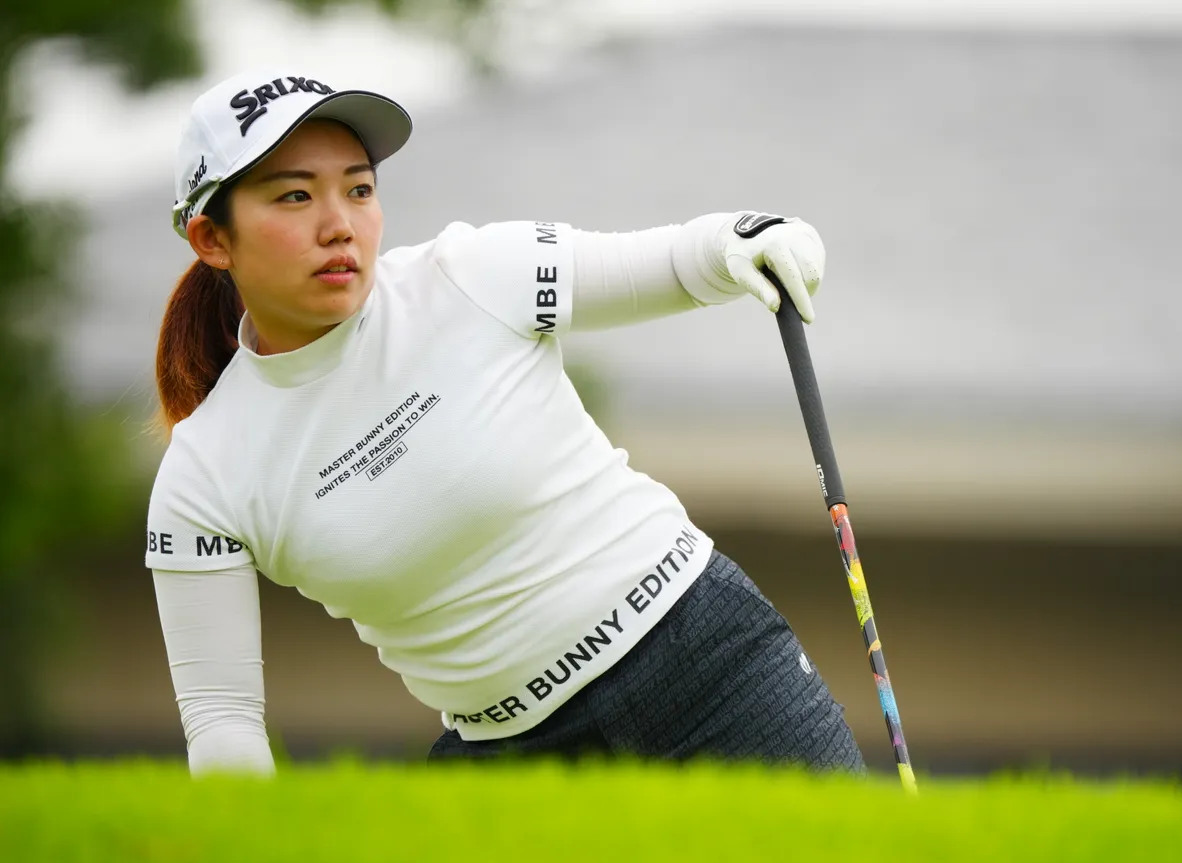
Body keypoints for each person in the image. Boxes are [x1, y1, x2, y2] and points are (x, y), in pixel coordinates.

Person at [147, 67, 864, 777]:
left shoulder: (467, 274)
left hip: (717, 666)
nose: (339, 226)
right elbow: (222, 720)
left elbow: (680, 263)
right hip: (514, 750)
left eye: (359, 189)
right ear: (213, 239)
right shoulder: (203, 475)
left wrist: (745, 238)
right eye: (296, 196)